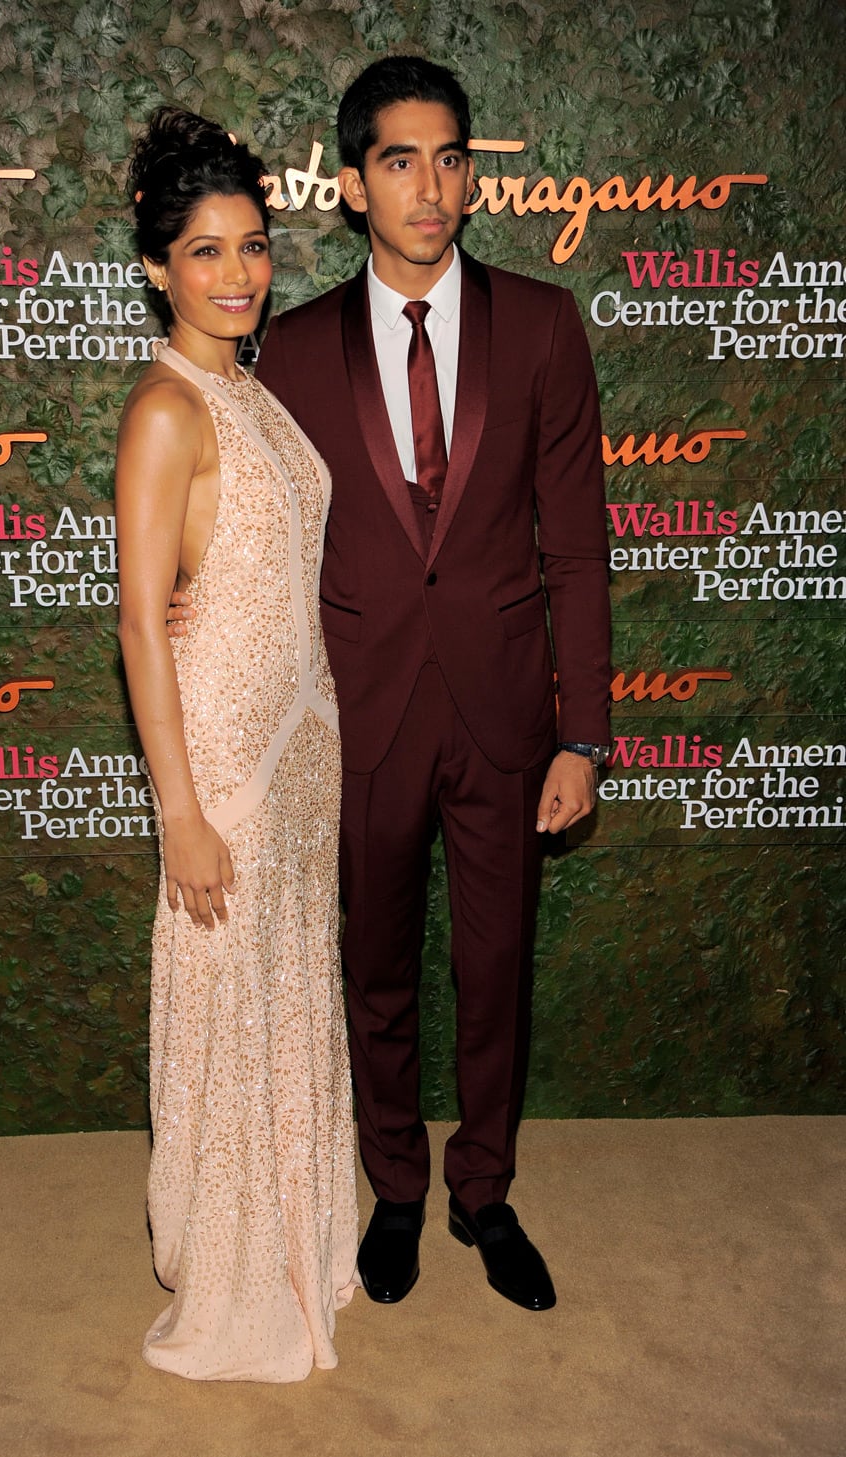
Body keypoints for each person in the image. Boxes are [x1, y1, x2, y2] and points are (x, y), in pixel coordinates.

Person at [172, 57, 610, 1313]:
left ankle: (486, 1187)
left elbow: (575, 545)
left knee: (494, 961)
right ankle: (399, 1190)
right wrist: (175, 591)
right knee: (370, 968)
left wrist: (584, 732)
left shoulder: (542, 325)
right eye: (401, 161)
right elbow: (246, 508)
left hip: (506, 711)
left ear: (472, 174)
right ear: (355, 182)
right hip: (352, 712)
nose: (431, 186)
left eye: (451, 157)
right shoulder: (290, 346)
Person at [115, 107, 357, 1383]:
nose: (237, 274)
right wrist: (182, 810)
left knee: (287, 992)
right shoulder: (165, 408)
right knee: (231, 1003)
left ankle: (296, 1230)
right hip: (223, 758)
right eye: (204, 252)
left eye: (254, 246)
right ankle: (232, 1262)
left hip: (302, 735)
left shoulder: (247, 388)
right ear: (158, 267)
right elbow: (141, 628)